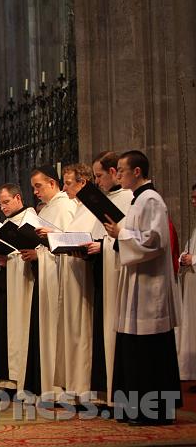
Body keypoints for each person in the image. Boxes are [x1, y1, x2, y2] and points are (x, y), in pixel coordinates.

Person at [104, 150, 181, 425]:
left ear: (137, 172)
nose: (119, 175)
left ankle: (155, 411)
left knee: (149, 350)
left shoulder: (151, 200)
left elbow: (155, 241)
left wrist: (121, 233)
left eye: (122, 170)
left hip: (150, 288)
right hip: (136, 282)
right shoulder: (137, 202)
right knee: (133, 347)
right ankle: (134, 409)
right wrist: (119, 235)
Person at [19, 165, 76, 403]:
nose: (36, 192)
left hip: (59, 279)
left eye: (38, 186)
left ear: (53, 183)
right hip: (46, 277)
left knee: (55, 331)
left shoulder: (65, 207)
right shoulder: (50, 209)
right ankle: (48, 386)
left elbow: (69, 243)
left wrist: (39, 252)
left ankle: (59, 388)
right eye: (33, 188)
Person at [54, 164, 103, 403]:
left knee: (84, 331)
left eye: (68, 183)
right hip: (73, 276)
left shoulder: (93, 207)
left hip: (85, 280)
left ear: (83, 182)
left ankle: (86, 388)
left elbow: (97, 239)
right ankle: (76, 385)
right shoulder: (79, 208)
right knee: (73, 331)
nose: (64, 188)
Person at [87, 151, 132, 405]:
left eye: (99, 175)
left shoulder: (128, 199)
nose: (97, 181)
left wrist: (102, 245)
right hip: (103, 272)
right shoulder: (106, 199)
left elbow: (125, 237)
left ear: (114, 173)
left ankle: (119, 395)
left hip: (118, 275)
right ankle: (105, 393)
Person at [0, 183, 35, 395]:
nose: (4, 208)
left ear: (18, 198)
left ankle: (21, 381)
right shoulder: (4, 224)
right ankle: (7, 382)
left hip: (24, 283)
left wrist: (11, 258)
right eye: (0, 205)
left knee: (21, 332)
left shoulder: (30, 219)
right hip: (5, 283)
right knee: (4, 333)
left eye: (7, 202)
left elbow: (36, 251)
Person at [177, 182, 196, 384]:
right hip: (192, 282)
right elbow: (190, 247)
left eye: (195, 198)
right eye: (192, 198)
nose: (192, 202)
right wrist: (184, 256)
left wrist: (194, 259)